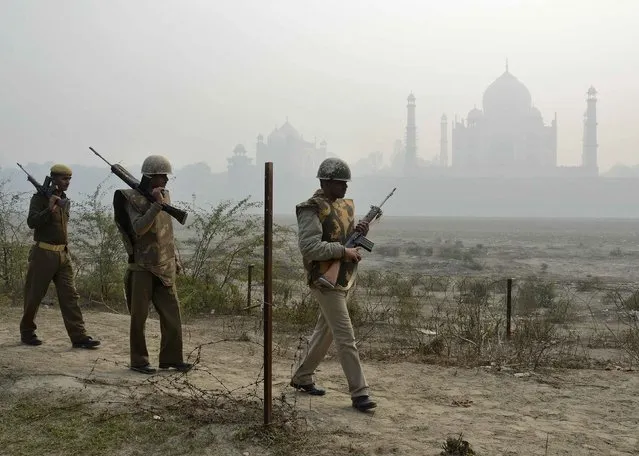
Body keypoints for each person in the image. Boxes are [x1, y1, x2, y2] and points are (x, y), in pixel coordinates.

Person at [290, 157, 377, 412]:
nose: (345, 188)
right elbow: (309, 247)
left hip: (343, 278)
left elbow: (344, 237)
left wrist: (361, 231)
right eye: (340, 183)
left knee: (326, 332)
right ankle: (360, 393)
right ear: (326, 182)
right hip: (325, 279)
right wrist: (343, 251)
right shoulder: (310, 208)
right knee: (345, 337)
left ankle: (302, 377)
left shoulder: (344, 206)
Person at [113, 155, 191, 374]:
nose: (166, 179)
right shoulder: (132, 198)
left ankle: (171, 359)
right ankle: (139, 361)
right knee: (139, 319)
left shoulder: (164, 196)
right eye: (161, 175)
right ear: (149, 176)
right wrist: (156, 206)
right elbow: (139, 228)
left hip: (165, 268)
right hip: (142, 268)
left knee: (173, 316)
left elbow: (166, 232)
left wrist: (174, 259)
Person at [20, 164, 101, 349]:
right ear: (53, 179)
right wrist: (48, 209)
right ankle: (27, 331)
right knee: (34, 295)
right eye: (64, 179)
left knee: (70, 296)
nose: (68, 182)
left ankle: (79, 336)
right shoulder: (39, 199)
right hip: (43, 253)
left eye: (69, 179)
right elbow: (31, 222)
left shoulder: (64, 200)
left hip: (62, 254)